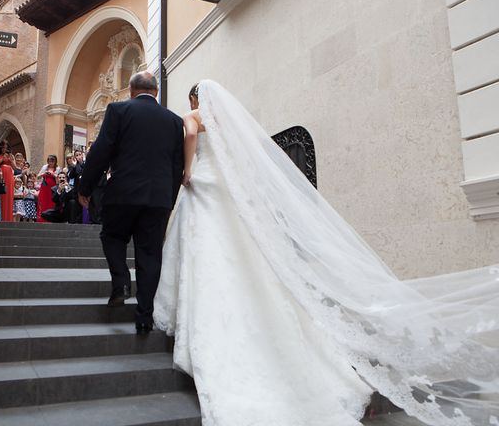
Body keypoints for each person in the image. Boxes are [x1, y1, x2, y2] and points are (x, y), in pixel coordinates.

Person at [153, 80, 499, 426]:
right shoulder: (228, 123)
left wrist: (187, 171)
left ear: (196, 97)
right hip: (228, 192)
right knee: (239, 256)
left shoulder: (192, 116)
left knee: (206, 254)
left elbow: (191, 138)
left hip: (205, 186)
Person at [78, 71, 184, 335]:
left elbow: (101, 150)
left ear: (131, 90)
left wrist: (86, 187)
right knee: (150, 255)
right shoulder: (173, 121)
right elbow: (177, 164)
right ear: (156, 92)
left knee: (112, 236)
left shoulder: (118, 110)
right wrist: (169, 200)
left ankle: (121, 282)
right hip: (158, 199)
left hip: (123, 193)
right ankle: (145, 316)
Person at [0, 140, 16, 222]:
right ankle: (0, 217)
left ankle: (8, 218)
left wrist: (10, 160)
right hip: (0, 175)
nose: (5, 149)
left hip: (9, 176)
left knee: (8, 196)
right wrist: (1, 160)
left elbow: (15, 168)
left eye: (6, 148)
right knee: (1, 196)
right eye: (3, 147)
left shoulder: (11, 156)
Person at [36, 155, 60, 222]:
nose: (51, 162)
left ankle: (50, 218)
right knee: (43, 201)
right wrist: (44, 173)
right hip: (44, 188)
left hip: (52, 188)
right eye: (49, 161)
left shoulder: (57, 168)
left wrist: (53, 174)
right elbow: (38, 176)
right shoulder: (45, 167)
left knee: (51, 202)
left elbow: (58, 179)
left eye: (52, 161)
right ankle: (41, 218)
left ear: (55, 161)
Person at [66, 149, 85, 223]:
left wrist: (81, 163)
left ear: (82, 155)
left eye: (79, 154)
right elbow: (71, 176)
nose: (78, 156)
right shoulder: (74, 166)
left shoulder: (86, 164)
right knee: (77, 206)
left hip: (85, 189)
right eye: (77, 155)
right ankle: (77, 221)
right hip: (77, 190)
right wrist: (74, 166)